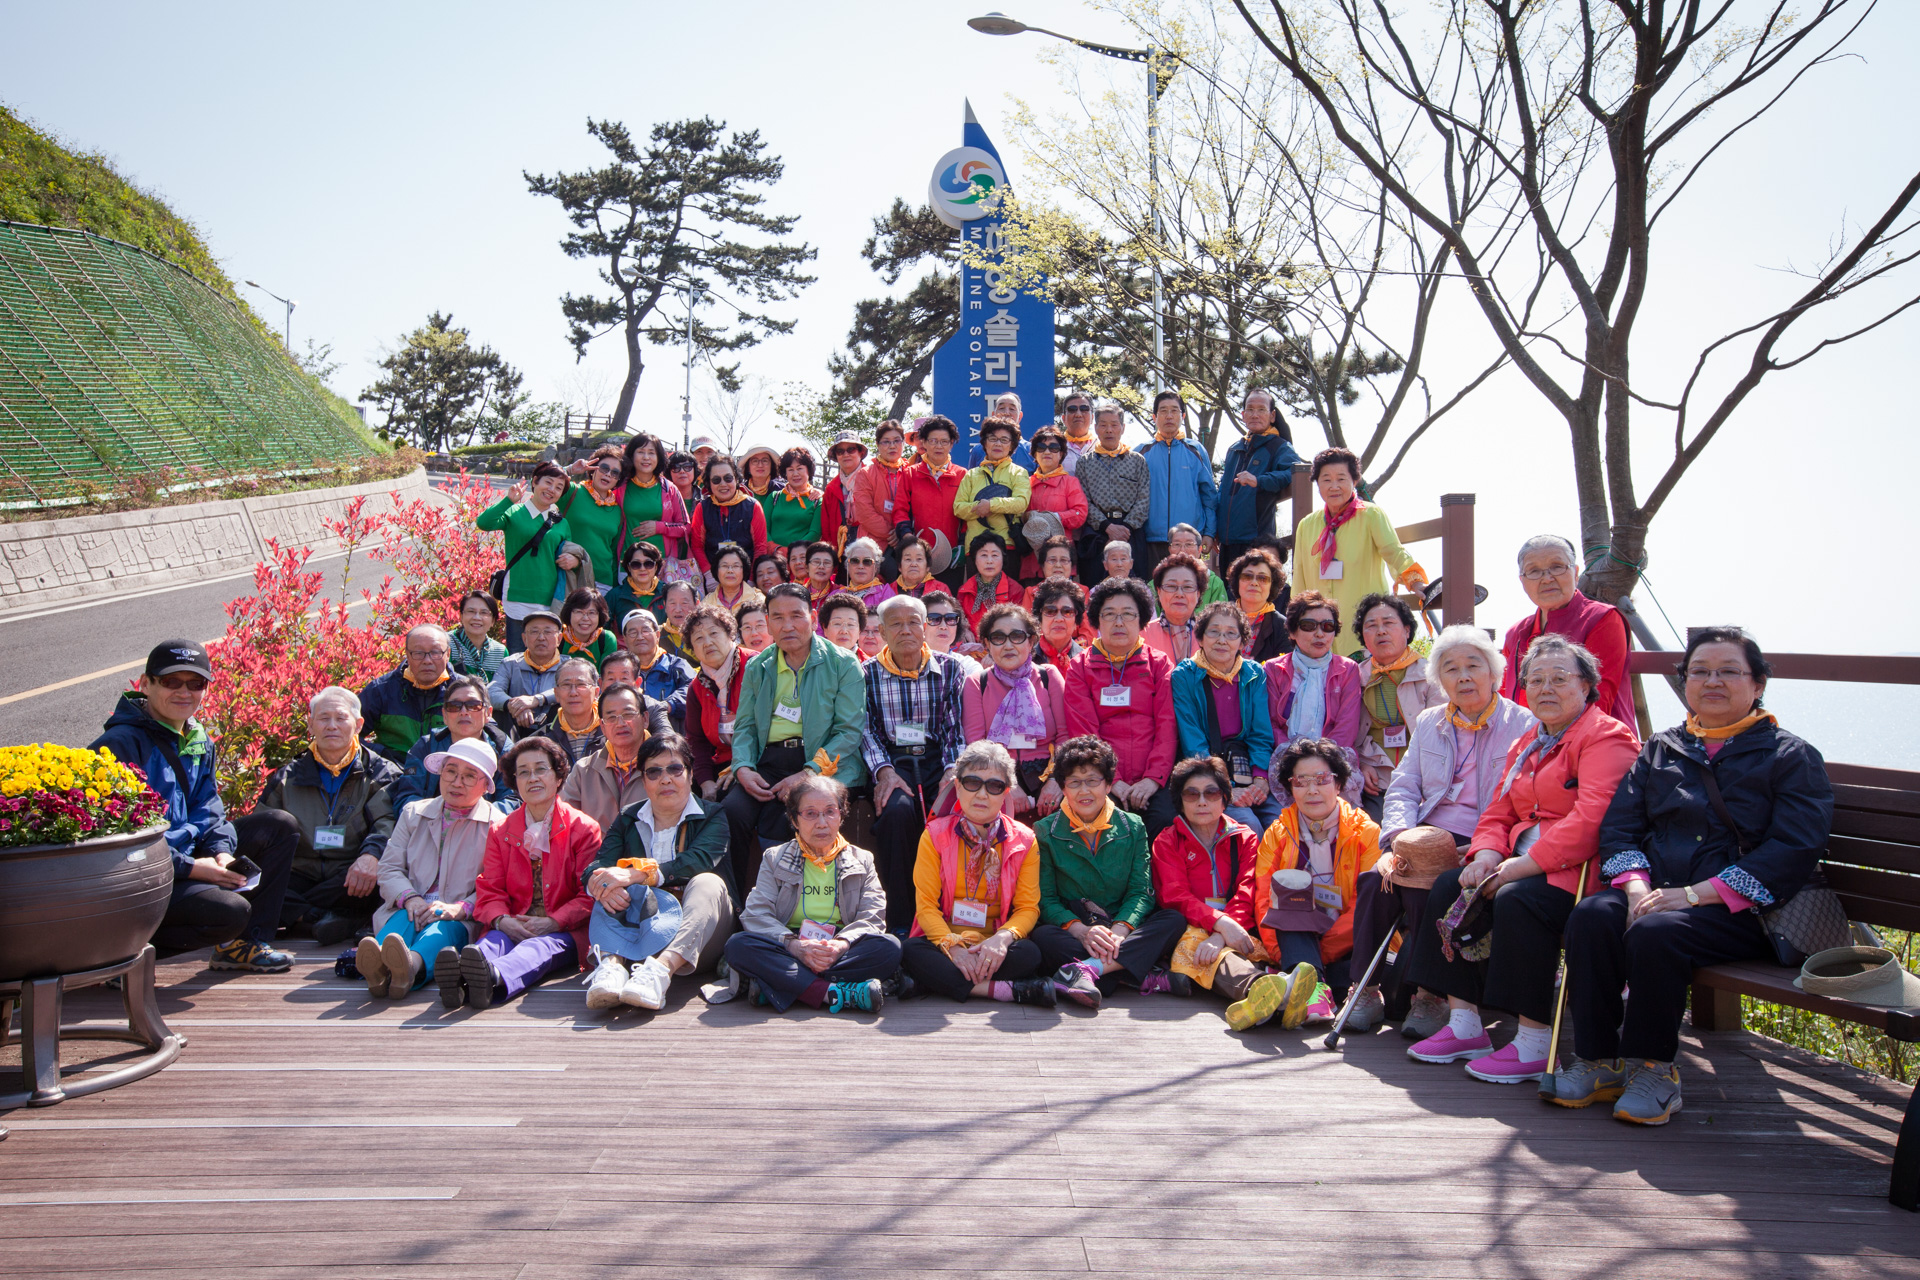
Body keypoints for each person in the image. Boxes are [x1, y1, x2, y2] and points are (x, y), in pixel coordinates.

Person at [1549, 628, 1834, 1124]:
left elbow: (1794, 848)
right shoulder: (1663, 747)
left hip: (1743, 911)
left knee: (1658, 933)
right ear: (1685, 683)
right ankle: (1597, 1060)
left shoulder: (1790, 756)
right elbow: (1620, 828)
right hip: (1657, 894)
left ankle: (1654, 1069)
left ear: (1759, 684)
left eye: (1729, 671)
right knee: (1593, 916)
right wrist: (1636, 887)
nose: (1712, 681)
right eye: (1700, 671)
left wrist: (1695, 895)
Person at [1403, 634, 1639, 1084]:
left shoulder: (1606, 736)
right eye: (1536, 680)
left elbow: (1592, 819)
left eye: (1559, 678)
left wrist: (1518, 867)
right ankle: (1464, 1025)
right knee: (1450, 885)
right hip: (1516, 860)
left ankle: (1532, 1042)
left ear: (1586, 685)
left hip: (1578, 872)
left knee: (1518, 899)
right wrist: (1485, 854)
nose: (1546, 688)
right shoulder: (1531, 740)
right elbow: (1500, 809)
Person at [1355, 625, 1535, 1038]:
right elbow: (1404, 786)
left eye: (1474, 665)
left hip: (1483, 842)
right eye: (1451, 669)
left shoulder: (1521, 723)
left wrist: (1486, 849)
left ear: (1494, 672)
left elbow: (1522, 800)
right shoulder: (1431, 720)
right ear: (1440, 679)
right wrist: (1396, 839)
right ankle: (1365, 989)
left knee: (1428, 888)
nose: (1463, 676)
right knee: (1375, 880)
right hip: (1424, 835)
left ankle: (1431, 995)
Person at [91, 641, 297, 972]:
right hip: (145, 874)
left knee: (278, 826)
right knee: (229, 913)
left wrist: (221, 853)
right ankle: (122, 955)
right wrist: (192, 869)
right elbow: (127, 844)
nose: (184, 692)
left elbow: (208, 809)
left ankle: (242, 945)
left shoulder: (198, 739)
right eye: (171, 681)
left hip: (187, 857)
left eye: (195, 683)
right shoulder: (118, 745)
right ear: (145, 684)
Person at [1225, 738, 1384, 1030]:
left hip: (1350, 943)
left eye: (1321, 779)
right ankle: (1313, 990)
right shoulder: (1277, 834)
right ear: (1290, 788)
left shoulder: (1367, 833)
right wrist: (1283, 953)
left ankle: (1294, 985)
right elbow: (1264, 903)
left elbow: (1363, 908)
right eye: (1301, 781)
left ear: (1339, 784)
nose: (1312, 790)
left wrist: (1310, 961)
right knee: (1288, 898)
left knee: (1389, 978)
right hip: (1295, 936)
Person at [433, 737, 601, 1009]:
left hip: (565, 931)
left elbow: (590, 895)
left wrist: (554, 921)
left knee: (537, 948)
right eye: (523, 772)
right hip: (514, 922)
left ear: (559, 777)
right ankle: (464, 976)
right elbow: (490, 889)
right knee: (492, 942)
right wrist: (501, 920)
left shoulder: (584, 828)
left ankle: (489, 978)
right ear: (515, 781)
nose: (532, 778)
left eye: (540, 769)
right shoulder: (500, 830)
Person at [724, 583, 870, 895]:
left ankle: (789, 903)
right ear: (768, 623)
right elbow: (745, 726)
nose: (787, 626)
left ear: (813, 618)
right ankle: (736, 903)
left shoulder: (843, 664)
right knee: (731, 812)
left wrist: (808, 773)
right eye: (777, 618)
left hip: (821, 763)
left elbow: (848, 732)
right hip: (768, 761)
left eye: (796, 616)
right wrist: (743, 767)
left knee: (790, 813)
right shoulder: (758, 666)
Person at [1030, 735, 1189, 1008]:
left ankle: (1086, 970)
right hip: (1078, 929)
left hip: (1119, 926)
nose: (1084, 791)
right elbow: (1046, 899)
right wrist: (1082, 931)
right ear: (1063, 788)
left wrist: (1119, 931)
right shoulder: (1045, 830)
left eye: (1092, 781)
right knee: (1042, 938)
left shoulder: (1133, 826)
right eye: (1074, 782)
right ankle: (1137, 974)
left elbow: (1141, 892)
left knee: (1173, 920)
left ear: (1108, 784)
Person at [580, 733, 736, 1010]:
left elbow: (700, 859)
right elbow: (598, 864)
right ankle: (612, 967)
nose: (665, 779)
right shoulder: (628, 817)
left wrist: (640, 874)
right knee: (608, 880)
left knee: (708, 882)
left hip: (700, 936)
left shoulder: (713, 814)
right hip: (645, 928)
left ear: (690, 774)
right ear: (643, 780)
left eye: (675, 769)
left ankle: (660, 972)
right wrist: (600, 881)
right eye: (654, 772)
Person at [723, 773, 901, 1014]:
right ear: (794, 820)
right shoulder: (775, 858)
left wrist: (840, 945)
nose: (821, 822)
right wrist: (795, 946)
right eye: (810, 813)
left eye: (830, 812)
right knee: (738, 945)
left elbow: (873, 917)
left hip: (838, 947)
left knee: (890, 947)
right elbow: (756, 914)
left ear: (841, 815)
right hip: (790, 945)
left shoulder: (862, 860)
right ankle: (833, 992)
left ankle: (780, 984)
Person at [901, 740, 1054, 1005]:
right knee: (911, 950)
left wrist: (1002, 939)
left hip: (993, 943)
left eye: (994, 786)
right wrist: (954, 949)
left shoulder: (1025, 840)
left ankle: (930, 982)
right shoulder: (934, 835)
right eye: (972, 783)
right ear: (958, 786)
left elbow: (1028, 908)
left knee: (1030, 953)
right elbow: (925, 908)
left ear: (1006, 793)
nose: (982, 795)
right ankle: (1006, 990)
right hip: (946, 941)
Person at [257, 686, 403, 945]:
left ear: (358, 725)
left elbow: (387, 822)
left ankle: (299, 915)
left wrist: (370, 856)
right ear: (311, 724)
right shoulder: (287, 777)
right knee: (253, 883)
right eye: (324, 718)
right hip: (300, 872)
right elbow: (263, 830)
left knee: (383, 878)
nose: (332, 726)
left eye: (341, 718)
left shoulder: (381, 772)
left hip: (351, 873)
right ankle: (324, 917)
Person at [862, 595, 967, 932]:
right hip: (894, 760)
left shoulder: (950, 668)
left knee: (953, 812)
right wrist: (885, 772)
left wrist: (951, 772)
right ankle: (901, 922)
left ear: (925, 628)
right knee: (896, 813)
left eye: (913, 623)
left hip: (939, 757)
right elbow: (866, 730)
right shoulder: (867, 673)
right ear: (882, 631)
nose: (905, 630)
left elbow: (954, 728)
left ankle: (954, 913)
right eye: (895, 624)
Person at [368, 736, 503, 996]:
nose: (456, 782)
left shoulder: (497, 825)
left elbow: (497, 885)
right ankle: (378, 964)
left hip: (459, 918)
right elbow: (389, 868)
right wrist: (410, 898)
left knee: (443, 929)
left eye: (469, 776)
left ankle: (408, 968)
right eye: (450, 771)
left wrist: (460, 908)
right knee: (404, 919)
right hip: (408, 907)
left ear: (486, 785)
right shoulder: (413, 813)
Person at [1150, 755, 1279, 1019]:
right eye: (1191, 794)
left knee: (1232, 947)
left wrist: (1221, 933)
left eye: (1211, 793)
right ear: (1179, 801)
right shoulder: (1167, 841)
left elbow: (1247, 892)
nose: (1202, 801)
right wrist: (1219, 923)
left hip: (1238, 924)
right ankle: (1262, 989)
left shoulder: (1245, 838)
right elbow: (1175, 897)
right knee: (1208, 952)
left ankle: (1272, 995)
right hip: (1189, 930)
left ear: (1224, 798)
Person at [1064, 577, 1179, 838]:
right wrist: (1112, 781)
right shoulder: (1080, 667)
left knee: (1165, 820)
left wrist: (1152, 779)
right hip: (1101, 778)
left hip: (1153, 778)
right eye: (1109, 614)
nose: (1119, 622)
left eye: (1128, 614)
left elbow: (1167, 726)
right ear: (1097, 620)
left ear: (1141, 621)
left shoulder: (1159, 664)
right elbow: (1085, 733)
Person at [1291, 447, 1426, 657]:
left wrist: (1416, 581)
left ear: (1354, 481)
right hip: (1320, 631)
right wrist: (1296, 622)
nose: (1334, 486)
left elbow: (1394, 552)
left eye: (1341, 479)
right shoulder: (1307, 525)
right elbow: (1299, 576)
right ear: (1317, 484)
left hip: (1364, 626)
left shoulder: (1371, 515)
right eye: (1326, 479)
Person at [1500, 534, 1637, 730]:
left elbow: (1598, 702)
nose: (1547, 578)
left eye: (1557, 567)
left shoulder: (1602, 619)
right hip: (1526, 742)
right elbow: (1504, 702)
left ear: (1575, 573)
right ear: (1522, 581)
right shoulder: (1516, 633)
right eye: (1534, 571)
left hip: (1594, 740)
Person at [1172, 603, 1282, 834]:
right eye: (1214, 632)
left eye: (1231, 634)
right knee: (1248, 827)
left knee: (1280, 824)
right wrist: (1226, 787)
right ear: (1200, 638)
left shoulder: (1254, 673)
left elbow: (1261, 734)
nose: (1222, 640)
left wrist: (1261, 778)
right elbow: (1193, 742)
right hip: (1207, 771)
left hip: (1249, 768)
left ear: (1242, 643)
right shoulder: (1184, 676)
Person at [962, 603, 1069, 821]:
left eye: (1017, 636)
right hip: (996, 774)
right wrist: (1007, 784)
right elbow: (977, 745)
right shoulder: (977, 683)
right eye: (998, 638)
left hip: (1048, 772)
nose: (1008, 645)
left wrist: (1055, 780)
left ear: (1031, 641)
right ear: (987, 644)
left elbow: (1065, 735)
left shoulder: (1049, 676)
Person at [1264, 592, 1364, 801]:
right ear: (1292, 632)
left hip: (1334, 763)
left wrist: (1319, 765)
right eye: (1309, 626)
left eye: (1327, 626)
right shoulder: (1273, 669)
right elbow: (1271, 723)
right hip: (1285, 762)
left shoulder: (1348, 669)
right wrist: (1297, 762)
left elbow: (1346, 728)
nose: (1319, 634)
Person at [1353, 592, 1442, 815]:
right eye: (1371, 625)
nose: (1381, 631)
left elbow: (1441, 734)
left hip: (1423, 777)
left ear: (1407, 630)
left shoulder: (1431, 675)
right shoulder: (1354, 676)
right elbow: (1349, 732)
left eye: (1389, 623)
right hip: (1374, 776)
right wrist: (1361, 764)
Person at [476, 463, 578, 652]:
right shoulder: (514, 512)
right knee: (517, 656)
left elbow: (569, 552)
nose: (552, 490)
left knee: (547, 655)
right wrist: (508, 501)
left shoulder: (561, 523)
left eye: (558, 487)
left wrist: (574, 560)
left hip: (550, 599)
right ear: (535, 482)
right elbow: (484, 523)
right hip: (518, 596)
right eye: (548, 482)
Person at [390, 674, 518, 811]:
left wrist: (472, 816)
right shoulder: (426, 746)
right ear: (444, 715)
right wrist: (443, 816)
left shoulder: (503, 749)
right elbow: (406, 798)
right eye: (454, 706)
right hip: (431, 821)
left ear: (488, 713)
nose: (463, 712)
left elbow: (514, 800)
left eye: (473, 705)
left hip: (487, 822)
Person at [1214, 389, 1302, 571]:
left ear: (1272, 415)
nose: (1255, 414)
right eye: (1250, 409)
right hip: (1227, 542)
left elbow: (1293, 473)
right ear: (1243, 415)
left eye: (1261, 409)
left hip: (1256, 541)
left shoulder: (1280, 446)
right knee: (1228, 588)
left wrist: (1259, 480)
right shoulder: (1235, 449)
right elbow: (1222, 491)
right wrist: (1215, 529)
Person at [556, 681, 658, 834]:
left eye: (628, 714)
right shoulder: (584, 771)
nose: (620, 723)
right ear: (602, 727)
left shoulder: (664, 767)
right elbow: (564, 822)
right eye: (611, 717)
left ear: (645, 719)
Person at [1139, 391, 1217, 576]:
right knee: (1154, 589)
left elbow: (1209, 496)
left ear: (1183, 416)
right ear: (1154, 417)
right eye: (1163, 411)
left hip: (1188, 541)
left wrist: (1209, 533)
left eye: (1174, 410)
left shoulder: (1196, 450)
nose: (1169, 416)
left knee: (1189, 587)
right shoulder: (1141, 452)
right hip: (1151, 540)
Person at [1073, 402, 1150, 585]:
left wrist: (1125, 528)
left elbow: (1143, 499)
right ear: (1096, 428)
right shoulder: (1085, 462)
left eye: (1114, 425)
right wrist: (1107, 527)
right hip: (1097, 532)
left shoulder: (1137, 461)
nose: (1109, 430)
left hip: (1131, 532)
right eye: (1103, 425)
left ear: (1122, 428)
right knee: (1095, 585)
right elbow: (1084, 500)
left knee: (1134, 586)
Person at [357, 624, 451, 763]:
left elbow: (482, 736)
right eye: (418, 653)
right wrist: (381, 755)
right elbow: (349, 735)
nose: (427, 660)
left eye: (436, 652)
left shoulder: (462, 692)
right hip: (393, 771)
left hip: (447, 771)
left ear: (448, 654)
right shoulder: (381, 690)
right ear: (407, 654)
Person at [683, 605, 746, 800]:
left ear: (730, 635)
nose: (707, 643)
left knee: (732, 808)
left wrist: (742, 765)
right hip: (721, 764)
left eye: (713, 633)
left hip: (758, 760)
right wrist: (705, 781)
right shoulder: (696, 688)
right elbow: (696, 741)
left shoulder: (755, 665)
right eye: (699, 638)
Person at [899, 415, 968, 590]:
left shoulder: (962, 475)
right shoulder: (909, 474)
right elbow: (900, 510)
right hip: (918, 557)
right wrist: (907, 537)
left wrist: (962, 544)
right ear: (924, 442)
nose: (939, 446)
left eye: (944, 441)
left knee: (948, 602)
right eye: (933, 441)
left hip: (951, 557)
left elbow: (968, 514)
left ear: (951, 444)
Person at [954, 415, 1032, 555]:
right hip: (975, 546)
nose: (998, 444)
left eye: (1004, 440)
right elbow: (958, 508)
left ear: (1012, 445)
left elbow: (1021, 503)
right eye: (992, 439)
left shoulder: (1019, 473)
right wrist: (980, 507)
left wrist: (991, 505)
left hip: (1007, 545)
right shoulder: (971, 475)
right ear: (984, 443)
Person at [555, 444, 629, 590]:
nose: (608, 474)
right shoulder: (573, 492)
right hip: (569, 575)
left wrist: (615, 588)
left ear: (618, 480)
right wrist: (569, 469)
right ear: (593, 469)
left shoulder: (617, 511)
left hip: (603, 583)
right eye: (604, 468)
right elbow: (540, 484)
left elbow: (614, 553)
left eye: (615, 473)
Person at [614, 431, 690, 570]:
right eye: (640, 452)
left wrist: (659, 527)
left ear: (659, 457)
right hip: (628, 565)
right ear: (631, 455)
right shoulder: (619, 487)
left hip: (663, 567)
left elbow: (685, 527)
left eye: (651, 453)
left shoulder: (669, 489)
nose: (646, 457)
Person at [1019, 426, 1088, 578]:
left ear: (1061, 453)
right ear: (1034, 453)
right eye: (1041, 447)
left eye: (1054, 448)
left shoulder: (1070, 482)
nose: (1047, 452)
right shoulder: (1024, 483)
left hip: (1061, 562)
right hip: (1031, 562)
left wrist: (1052, 518)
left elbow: (1080, 513)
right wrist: (1026, 517)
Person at [689, 456, 769, 581]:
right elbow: (697, 546)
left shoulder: (753, 506)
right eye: (716, 480)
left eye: (728, 478)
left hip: (746, 578)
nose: (723, 484)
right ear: (709, 483)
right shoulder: (702, 508)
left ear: (736, 479)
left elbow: (760, 547)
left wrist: (751, 579)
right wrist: (709, 576)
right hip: (713, 578)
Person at [488, 608, 566, 733]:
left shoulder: (568, 666)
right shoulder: (511, 663)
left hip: (554, 730)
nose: (541, 637)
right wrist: (515, 706)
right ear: (524, 639)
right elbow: (491, 691)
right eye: (534, 632)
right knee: (499, 713)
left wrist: (537, 700)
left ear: (559, 639)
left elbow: (570, 689)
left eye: (547, 632)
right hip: (517, 728)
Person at [619, 609, 693, 726]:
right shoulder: (618, 669)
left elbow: (693, 688)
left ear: (657, 635)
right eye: (633, 632)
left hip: (672, 733)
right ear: (625, 640)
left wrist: (668, 705)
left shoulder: (676, 665)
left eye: (645, 630)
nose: (640, 637)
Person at [529, 658, 610, 763]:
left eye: (581, 684)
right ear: (556, 694)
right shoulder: (540, 741)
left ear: (596, 692)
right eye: (566, 685)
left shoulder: (612, 734)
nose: (573, 693)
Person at [851, 419, 913, 549]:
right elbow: (865, 514)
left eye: (896, 440)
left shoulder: (912, 472)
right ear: (877, 444)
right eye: (886, 441)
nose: (892, 446)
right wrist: (895, 533)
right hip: (872, 545)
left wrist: (903, 531)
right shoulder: (865, 474)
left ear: (903, 443)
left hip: (907, 543)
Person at [1228, 548, 1291, 662]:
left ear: (1272, 585)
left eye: (1262, 578)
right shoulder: (1220, 617)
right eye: (1247, 576)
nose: (1254, 583)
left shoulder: (1283, 627)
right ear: (1237, 581)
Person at [957, 532, 1023, 635]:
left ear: (1003, 559)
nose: (989, 561)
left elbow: (1020, 626)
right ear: (974, 560)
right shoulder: (964, 591)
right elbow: (958, 621)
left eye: (995, 555)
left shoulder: (1015, 590)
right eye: (983, 555)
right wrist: (963, 631)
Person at [1144, 553, 1205, 664]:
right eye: (1171, 586)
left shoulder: (1209, 633)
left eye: (1187, 587)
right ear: (1159, 591)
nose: (1179, 594)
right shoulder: (1142, 634)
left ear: (1198, 593)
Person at [764, 445, 823, 549]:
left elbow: (815, 533)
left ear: (808, 471)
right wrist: (776, 549)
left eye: (799, 468)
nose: (795, 474)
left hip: (802, 555)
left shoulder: (817, 500)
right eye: (790, 470)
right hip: (774, 555)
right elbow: (763, 529)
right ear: (785, 473)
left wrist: (793, 552)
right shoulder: (773, 497)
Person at [819, 432, 868, 553]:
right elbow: (826, 528)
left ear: (860, 453)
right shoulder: (831, 488)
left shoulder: (872, 479)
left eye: (851, 449)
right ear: (836, 456)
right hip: (840, 550)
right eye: (840, 451)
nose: (846, 454)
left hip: (869, 548)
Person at [603, 542, 667, 629]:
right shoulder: (614, 596)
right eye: (636, 564)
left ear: (656, 566)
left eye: (648, 563)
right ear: (629, 567)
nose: (642, 568)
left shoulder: (667, 593)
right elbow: (602, 630)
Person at [1030, 577, 1088, 670]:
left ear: (1076, 622)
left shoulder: (1087, 662)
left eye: (1067, 612)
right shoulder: (1025, 660)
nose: (1059, 619)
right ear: (1039, 620)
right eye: (1050, 611)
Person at [921, 589, 981, 678]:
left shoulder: (967, 666)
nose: (943, 626)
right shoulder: (906, 665)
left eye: (950, 619)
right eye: (934, 619)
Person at [449, 591, 507, 683]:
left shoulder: (500, 651)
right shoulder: (447, 643)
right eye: (471, 611)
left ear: (493, 620)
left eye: (484, 613)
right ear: (461, 616)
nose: (477, 617)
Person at [1166, 524, 1228, 607]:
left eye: (1189, 544)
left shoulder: (1214, 583)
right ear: (1170, 549)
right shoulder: (1158, 582)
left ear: (1199, 550)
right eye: (1177, 544)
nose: (1182, 550)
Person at [700, 541, 763, 617]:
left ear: (744, 570)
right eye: (724, 566)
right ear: (716, 570)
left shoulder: (757, 599)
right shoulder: (707, 603)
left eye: (735, 566)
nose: (730, 570)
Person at [558, 588, 617, 671]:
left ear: (600, 615)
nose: (585, 618)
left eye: (591, 613)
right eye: (579, 612)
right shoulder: (558, 637)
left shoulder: (606, 639)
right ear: (568, 613)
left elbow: (605, 676)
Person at [1022, 535, 1080, 610]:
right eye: (1052, 560)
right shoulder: (1031, 593)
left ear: (1071, 565)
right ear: (1043, 566)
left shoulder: (1081, 592)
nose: (1058, 565)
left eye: (1064, 560)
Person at [840, 537, 897, 613]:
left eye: (867, 561)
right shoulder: (837, 595)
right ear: (848, 566)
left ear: (875, 567)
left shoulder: (885, 594)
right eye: (855, 561)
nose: (860, 566)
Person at [1057, 390, 1099, 474]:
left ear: (1092, 417)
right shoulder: (1054, 447)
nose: (1078, 414)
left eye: (1084, 409)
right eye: (1072, 409)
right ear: (1063, 418)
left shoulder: (1101, 447)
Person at [658, 581, 699, 664]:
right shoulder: (656, 635)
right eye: (672, 603)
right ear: (665, 605)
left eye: (684, 603)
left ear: (697, 604)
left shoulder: (705, 632)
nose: (678, 610)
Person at [740, 443, 785, 511]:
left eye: (765, 461)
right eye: (755, 461)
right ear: (748, 467)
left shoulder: (783, 490)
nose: (760, 465)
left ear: (771, 466)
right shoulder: (739, 491)